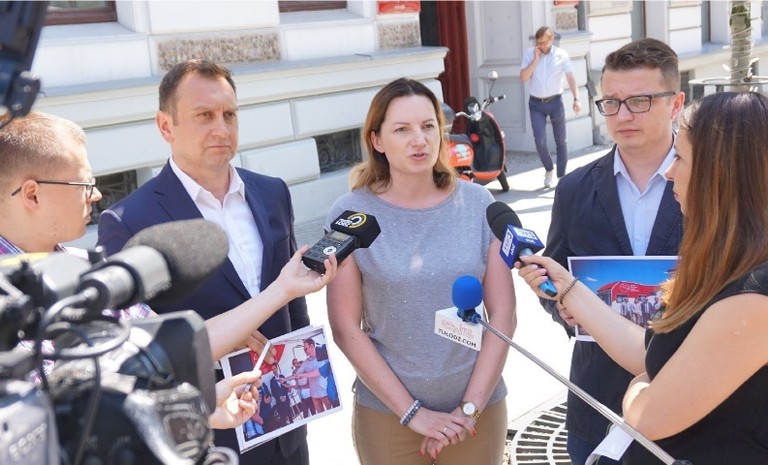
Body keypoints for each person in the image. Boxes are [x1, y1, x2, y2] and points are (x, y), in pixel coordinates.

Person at [519, 91, 768, 465]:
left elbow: (650, 416)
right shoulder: (727, 264)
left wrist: (639, 388)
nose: (669, 172)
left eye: (680, 158)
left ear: (719, 173)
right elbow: (650, 353)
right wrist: (568, 288)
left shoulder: (753, 295)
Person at [96, 59, 324, 465]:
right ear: (165, 126)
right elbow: (136, 345)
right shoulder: (129, 220)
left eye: (229, 114)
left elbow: (294, 306)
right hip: (209, 435)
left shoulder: (272, 192)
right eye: (204, 115)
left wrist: (306, 387)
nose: (221, 128)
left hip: (286, 423)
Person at [325, 77, 516, 464]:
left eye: (429, 126)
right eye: (402, 129)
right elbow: (346, 328)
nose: (420, 140)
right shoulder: (350, 213)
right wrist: (413, 414)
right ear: (377, 140)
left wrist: (468, 411)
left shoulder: (480, 204)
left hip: (476, 414)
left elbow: (504, 315)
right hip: (388, 416)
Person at [538, 38, 684, 465]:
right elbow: (554, 276)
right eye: (612, 102)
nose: (622, 116)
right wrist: (561, 307)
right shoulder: (574, 189)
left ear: (676, 104)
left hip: (689, 401)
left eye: (639, 101)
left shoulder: (712, 183)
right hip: (597, 402)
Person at [520, 26, 582, 188]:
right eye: (539, 42)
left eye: (544, 42)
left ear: (552, 39)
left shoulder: (561, 55)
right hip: (536, 103)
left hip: (555, 101)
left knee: (561, 140)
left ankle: (562, 177)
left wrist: (576, 99)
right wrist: (535, 60)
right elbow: (524, 77)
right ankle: (548, 168)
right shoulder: (530, 53)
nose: (541, 46)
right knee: (539, 139)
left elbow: (571, 77)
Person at [290, 338, 333, 414]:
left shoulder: (324, 357)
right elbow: (296, 375)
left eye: (305, 349)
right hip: (314, 395)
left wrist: (303, 376)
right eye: (304, 349)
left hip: (325, 392)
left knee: (331, 412)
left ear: (312, 346)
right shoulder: (306, 362)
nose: (304, 351)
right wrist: (285, 379)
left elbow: (317, 373)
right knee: (320, 415)